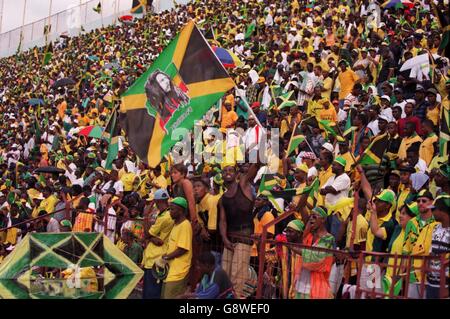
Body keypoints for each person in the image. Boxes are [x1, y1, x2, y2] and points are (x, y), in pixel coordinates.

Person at [219, 161, 259, 298]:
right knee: (225, 276)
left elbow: (255, 167)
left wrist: (259, 156)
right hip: (229, 240)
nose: (228, 173)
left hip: (244, 238)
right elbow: (222, 221)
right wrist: (224, 239)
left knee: (238, 278)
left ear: (236, 174)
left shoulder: (243, 185)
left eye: (231, 170)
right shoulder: (222, 198)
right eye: (225, 171)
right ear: (222, 176)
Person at [403, 190, 438, 299]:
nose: (420, 203)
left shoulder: (437, 222)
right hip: (413, 275)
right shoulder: (411, 223)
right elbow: (406, 250)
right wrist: (404, 273)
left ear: (432, 202)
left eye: (424, 200)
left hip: (431, 275)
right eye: (418, 201)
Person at [142, 189, 174, 299]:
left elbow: (146, 234)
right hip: (152, 258)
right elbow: (152, 237)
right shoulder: (163, 214)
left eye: (152, 202)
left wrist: (145, 217)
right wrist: (153, 238)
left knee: (151, 294)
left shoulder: (165, 217)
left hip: (155, 260)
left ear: (157, 201)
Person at [161, 197, 193, 299]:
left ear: (181, 211)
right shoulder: (176, 224)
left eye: (172, 209)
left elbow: (182, 249)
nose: (170, 212)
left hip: (179, 272)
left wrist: (165, 258)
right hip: (171, 270)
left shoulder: (185, 225)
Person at [426, 195, 450, 299]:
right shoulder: (436, 228)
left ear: (442, 211)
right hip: (431, 283)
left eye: (434, 210)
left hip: (446, 285)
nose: (432, 213)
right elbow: (432, 252)